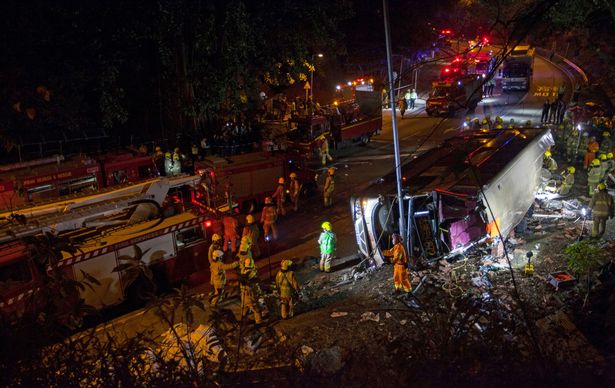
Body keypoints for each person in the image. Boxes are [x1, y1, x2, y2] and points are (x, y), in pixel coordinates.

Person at [239, 253, 263, 325]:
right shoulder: (251, 273)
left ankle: (243, 321)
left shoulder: (243, 271)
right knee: (257, 309)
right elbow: (256, 280)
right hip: (250, 296)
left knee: (245, 309)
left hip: (243, 295)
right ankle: (259, 323)